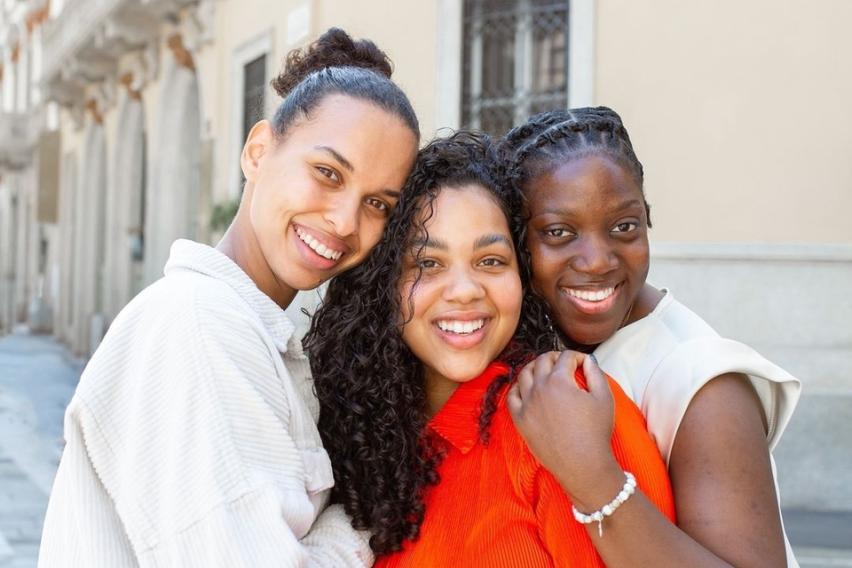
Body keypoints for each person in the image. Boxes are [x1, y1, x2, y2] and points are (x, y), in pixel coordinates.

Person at [38, 28, 419, 567]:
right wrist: (359, 515)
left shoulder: (250, 330)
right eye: (327, 173)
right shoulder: (198, 326)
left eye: (378, 204)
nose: (344, 220)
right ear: (258, 151)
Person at [305, 131, 675, 566]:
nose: (464, 291)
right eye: (428, 263)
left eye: (490, 261)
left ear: (521, 276)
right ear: (381, 285)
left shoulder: (571, 409)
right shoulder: (367, 434)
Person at [500, 107, 801, 567]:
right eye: (559, 232)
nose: (598, 260)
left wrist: (593, 477)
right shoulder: (535, 338)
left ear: (648, 220)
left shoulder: (701, 383)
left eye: (624, 227)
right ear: (517, 242)